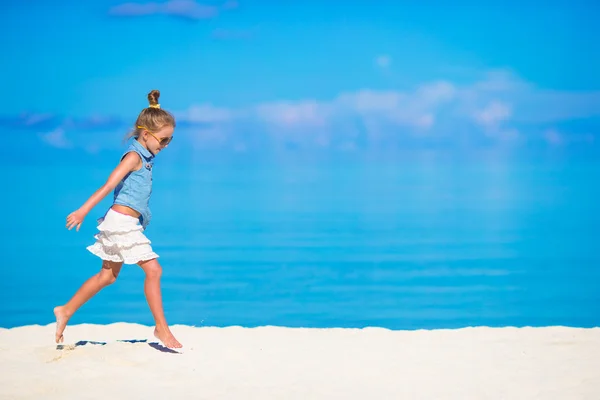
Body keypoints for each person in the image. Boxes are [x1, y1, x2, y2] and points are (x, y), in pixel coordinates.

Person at [53, 89, 182, 349]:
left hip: (124, 222)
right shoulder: (134, 156)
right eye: (163, 140)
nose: (165, 146)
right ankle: (161, 328)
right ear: (146, 135)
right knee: (154, 270)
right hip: (120, 223)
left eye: (169, 141)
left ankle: (65, 311)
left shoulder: (146, 156)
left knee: (107, 277)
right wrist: (82, 211)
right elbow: (108, 185)